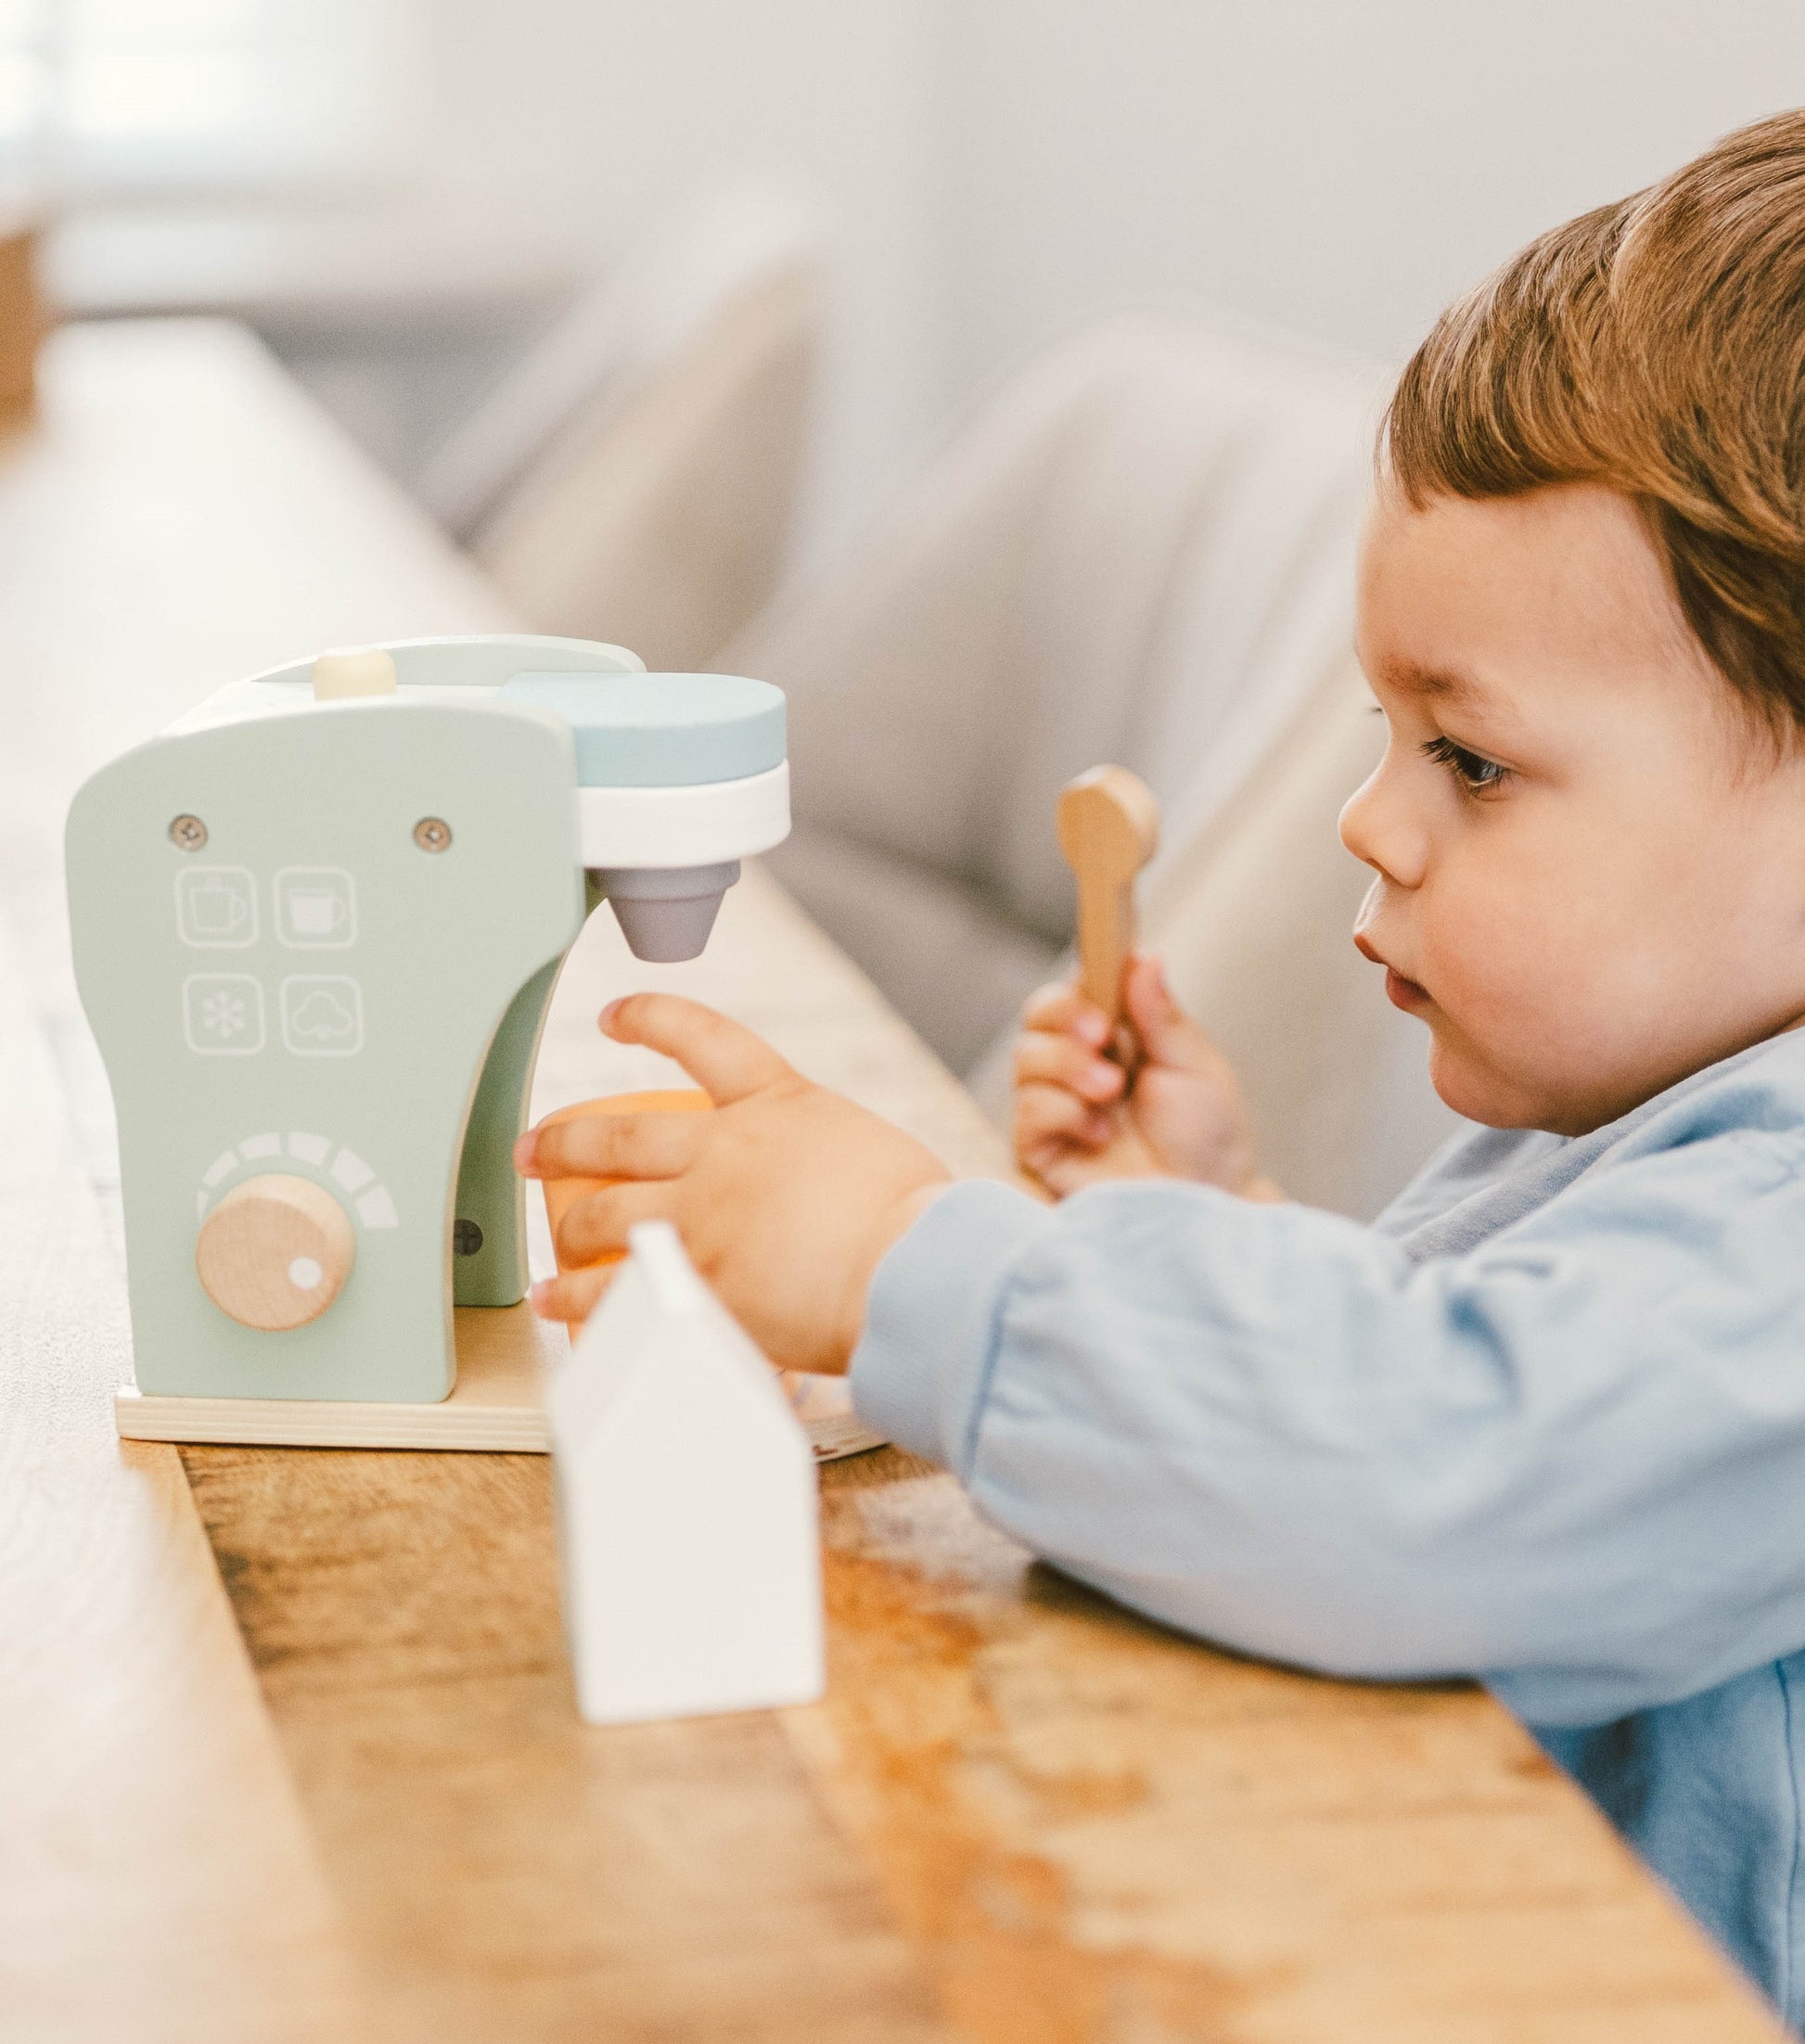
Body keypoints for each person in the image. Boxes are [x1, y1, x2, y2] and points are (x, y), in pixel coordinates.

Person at [518, 112, 1805, 2019]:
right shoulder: (1678, 1120)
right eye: (1386, 733)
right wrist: (1202, 1218)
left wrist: (906, 1261)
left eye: (1471, 760)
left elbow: (1431, 1488)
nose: (1369, 823)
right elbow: (1504, 1389)